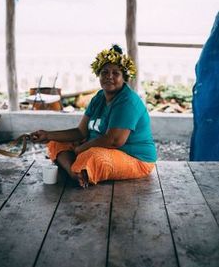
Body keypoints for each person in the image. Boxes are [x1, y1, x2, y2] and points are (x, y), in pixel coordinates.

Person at [30, 44, 157, 188]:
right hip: (102, 148)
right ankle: (76, 173)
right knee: (55, 141)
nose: (109, 77)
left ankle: (74, 169)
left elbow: (114, 141)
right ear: (99, 74)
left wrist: (80, 148)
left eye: (116, 73)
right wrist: (47, 135)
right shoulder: (99, 97)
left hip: (136, 159)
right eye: (104, 72)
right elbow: (80, 132)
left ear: (124, 78)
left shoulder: (128, 101)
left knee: (94, 156)